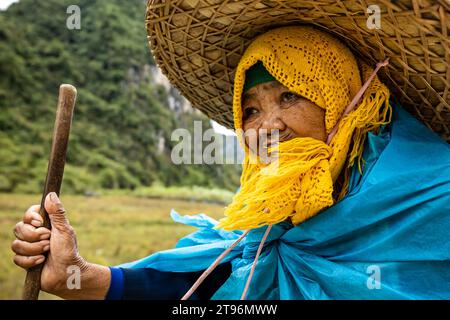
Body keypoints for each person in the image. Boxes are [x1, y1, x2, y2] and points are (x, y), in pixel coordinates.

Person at [11, 18, 450, 299]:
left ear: (343, 101)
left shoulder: (434, 198)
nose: (265, 127)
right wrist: (80, 276)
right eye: (252, 109)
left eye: (290, 95)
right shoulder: (270, 224)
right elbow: (210, 288)